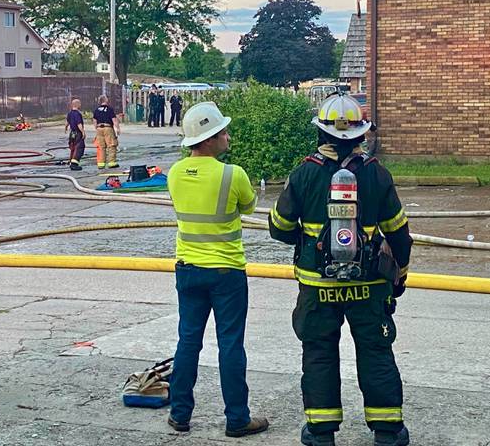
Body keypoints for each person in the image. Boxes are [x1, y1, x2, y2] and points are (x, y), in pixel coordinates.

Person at [268, 94, 412, 446]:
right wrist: (400, 277)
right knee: (376, 352)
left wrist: (307, 238)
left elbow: (279, 227)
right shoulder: (377, 174)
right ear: (361, 135)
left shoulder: (304, 173)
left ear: (321, 133)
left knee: (319, 353)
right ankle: (387, 431)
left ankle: (321, 432)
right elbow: (399, 233)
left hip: (318, 288)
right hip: (369, 285)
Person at [166, 101, 269, 438]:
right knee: (230, 345)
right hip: (226, 273)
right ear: (209, 139)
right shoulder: (232, 174)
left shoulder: (175, 173)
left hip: (188, 269)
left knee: (187, 342)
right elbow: (249, 205)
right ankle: (237, 419)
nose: (227, 135)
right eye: (222, 131)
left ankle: (180, 414)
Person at [93, 95, 120, 169]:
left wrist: (97, 128)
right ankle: (111, 162)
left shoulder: (96, 110)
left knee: (101, 147)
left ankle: (101, 164)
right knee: (111, 145)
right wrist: (117, 128)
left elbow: (94, 121)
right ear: (106, 100)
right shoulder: (109, 109)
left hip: (99, 128)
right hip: (107, 128)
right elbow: (114, 120)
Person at [64, 98, 85, 171]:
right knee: (79, 147)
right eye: (80, 103)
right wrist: (83, 132)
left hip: (72, 133)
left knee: (72, 147)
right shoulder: (78, 114)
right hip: (77, 133)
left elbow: (67, 122)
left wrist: (66, 128)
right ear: (78, 105)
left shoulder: (70, 113)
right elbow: (79, 124)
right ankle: (74, 163)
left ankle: (71, 161)